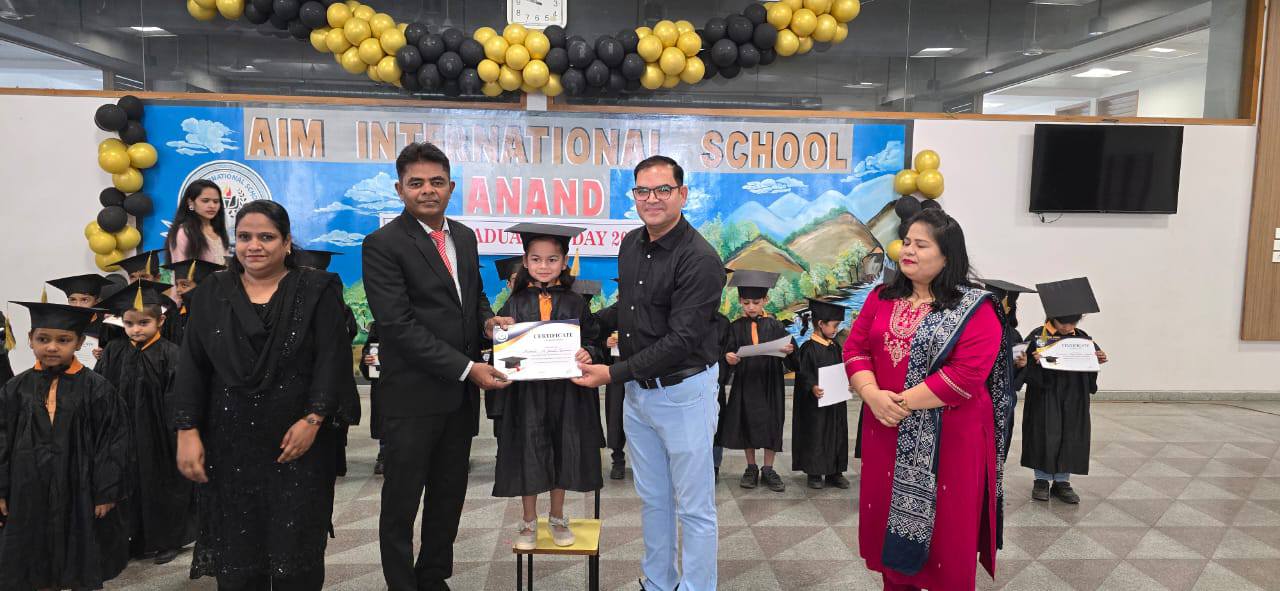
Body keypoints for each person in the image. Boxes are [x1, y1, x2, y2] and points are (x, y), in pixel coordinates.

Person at [172, 200, 360, 589]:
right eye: (244, 237)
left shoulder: (316, 290)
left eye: (266, 237)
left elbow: (332, 360)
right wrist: (187, 431)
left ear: (287, 242)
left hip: (299, 445)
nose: (254, 246)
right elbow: (193, 367)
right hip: (229, 447)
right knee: (238, 562)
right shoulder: (211, 294)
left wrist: (314, 419)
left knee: (297, 558)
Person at [362, 142, 511, 591]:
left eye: (436, 182)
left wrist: (488, 322)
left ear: (451, 186)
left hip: (458, 398)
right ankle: (402, 584)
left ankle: (433, 577)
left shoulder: (463, 236)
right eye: (416, 183)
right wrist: (468, 368)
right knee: (402, 499)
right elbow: (398, 326)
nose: (427, 190)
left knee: (448, 494)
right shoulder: (383, 244)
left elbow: (472, 297)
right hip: (411, 396)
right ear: (400, 189)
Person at [573, 155, 726, 591]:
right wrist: (578, 326)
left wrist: (612, 374)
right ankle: (659, 582)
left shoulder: (699, 259)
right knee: (654, 499)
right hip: (639, 394)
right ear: (634, 195)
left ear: (682, 194)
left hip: (684, 393)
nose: (652, 199)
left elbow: (681, 339)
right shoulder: (631, 244)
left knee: (694, 507)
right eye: (643, 190)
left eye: (663, 190)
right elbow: (631, 309)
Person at [842, 208, 1014, 590]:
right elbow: (855, 349)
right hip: (885, 431)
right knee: (887, 522)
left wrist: (897, 404)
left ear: (947, 256)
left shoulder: (976, 308)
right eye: (906, 242)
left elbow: (966, 375)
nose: (908, 251)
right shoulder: (882, 298)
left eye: (921, 245)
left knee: (947, 536)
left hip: (952, 440)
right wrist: (871, 395)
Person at [0, 301, 130, 590]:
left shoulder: (98, 389)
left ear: (79, 342)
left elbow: (112, 441)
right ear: (30, 339)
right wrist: (2, 488)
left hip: (78, 487)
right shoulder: (15, 388)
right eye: (43, 339)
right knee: (32, 557)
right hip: (28, 487)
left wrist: (106, 491)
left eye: (63, 340)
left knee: (78, 555)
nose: (52, 347)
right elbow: (2, 439)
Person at [494, 223, 605, 550]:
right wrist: (503, 348)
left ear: (564, 262)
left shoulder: (575, 302)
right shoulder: (514, 303)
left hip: (565, 392)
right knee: (528, 450)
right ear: (525, 262)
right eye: (536, 259)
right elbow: (501, 346)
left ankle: (557, 516)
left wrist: (589, 352)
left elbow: (593, 339)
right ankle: (528, 521)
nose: (544, 266)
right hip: (526, 394)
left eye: (552, 259)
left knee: (562, 448)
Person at [94, 280, 194, 565]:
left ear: (160, 320)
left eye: (143, 322)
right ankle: (132, 539)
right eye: (129, 323)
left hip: (158, 435)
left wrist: (177, 433)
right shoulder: (114, 350)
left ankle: (167, 540)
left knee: (160, 485)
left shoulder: (171, 354)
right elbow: (100, 388)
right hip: (122, 433)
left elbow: (178, 397)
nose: (136, 329)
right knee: (127, 486)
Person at [1019, 277, 1107, 505]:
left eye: (1072, 322)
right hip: (1045, 396)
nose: (1068, 327)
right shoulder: (1038, 336)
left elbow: (1089, 370)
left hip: (1074, 397)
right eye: (1063, 322)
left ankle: (1062, 481)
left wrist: (1097, 359)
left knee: (1070, 434)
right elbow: (1021, 366)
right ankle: (1041, 480)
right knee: (1043, 433)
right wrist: (1032, 362)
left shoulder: (1082, 339)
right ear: (1052, 317)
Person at [717, 270, 797, 492]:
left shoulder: (776, 326)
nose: (751, 307)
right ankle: (751, 467)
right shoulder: (735, 327)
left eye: (756, 302)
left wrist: (790, 351)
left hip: (771, 382)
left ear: (765, 300)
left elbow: (793, 355)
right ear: (740, 301)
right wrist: (728, 358)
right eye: (746, 303)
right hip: (746, 382)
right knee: (747, 422)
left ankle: (768, 468)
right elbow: (728, 351)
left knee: (772, 422)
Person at [294, 248, 360, 478]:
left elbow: (347, 334)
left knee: (331, 427)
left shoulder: (332, 301)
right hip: (310, 378)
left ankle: (334, 464)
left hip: (328, 375)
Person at [791, 298, 851, 490]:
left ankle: (835, 472)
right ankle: (814, 472)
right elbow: (803, 373)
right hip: (815, 404)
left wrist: (847, 383)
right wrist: (812, 386)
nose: (836, 329)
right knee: (816, 434)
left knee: (837, 433)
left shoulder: (835, 346)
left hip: (835, 401)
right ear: (821, 324)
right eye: (834, 325)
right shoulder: (808, 348)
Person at [980, 278, 1037, 444]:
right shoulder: (974, 328)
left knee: (998, 440)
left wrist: (1021, 365)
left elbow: (1015, 375)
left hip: (1001, 398)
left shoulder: (1013, 334)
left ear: (1008, 308)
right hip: (977, 393)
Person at [159, 258, 224, 345]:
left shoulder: (218, 316)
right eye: (177, 285)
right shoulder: (173, 316)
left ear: (203, 287)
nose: (178, 290)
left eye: (184, 285)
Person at [166, 178, 230, 265]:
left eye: (216, 201)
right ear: (190, 202)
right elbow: (181, 269)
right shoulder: (184, 232)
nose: (212, 206)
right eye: (205, 201)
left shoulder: (218, 229)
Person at [359, 321, 385, 475]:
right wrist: (367, 359)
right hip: (382, 383)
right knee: (384, 418)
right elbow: (369, 350)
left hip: (408, 381)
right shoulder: (378, 325)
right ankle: (384, 454)